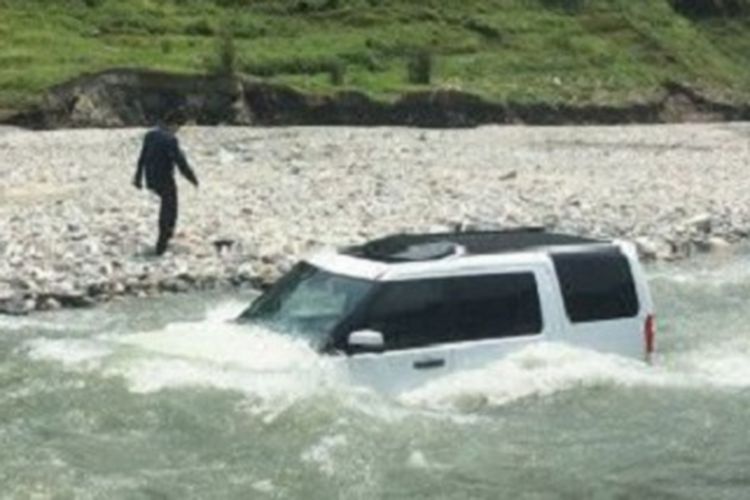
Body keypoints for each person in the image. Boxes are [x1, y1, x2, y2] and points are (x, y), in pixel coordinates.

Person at [133, 112, 199, 255]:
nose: (177, 130)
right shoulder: (170, 140)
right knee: (170, 209)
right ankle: (163, 242)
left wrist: (137, 177)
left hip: (150, 178)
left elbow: (142, 157)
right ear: (173, 125)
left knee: (166, 206)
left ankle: (165, 238)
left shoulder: (150, 135)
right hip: (164, 179)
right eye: (178, 127)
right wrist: (192, 179)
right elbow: (180, 162)